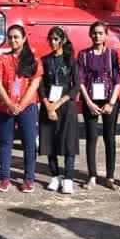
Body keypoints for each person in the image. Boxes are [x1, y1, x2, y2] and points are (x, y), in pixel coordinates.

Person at [0, 25, 42, 193]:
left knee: (29, 144)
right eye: (10, 37)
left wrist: (21, 105)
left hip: (27, 108)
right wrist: (9, 104)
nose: (13, 40)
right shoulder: (1, 59)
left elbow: (35, 83)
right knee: (5, 143)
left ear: (24, 38)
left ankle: (28, 179)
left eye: (16, 37)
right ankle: (4, 178)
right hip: (4, 108)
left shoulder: (33, 59)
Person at [77, 21, 120, 191]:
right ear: (90, 34)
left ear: (106, 35)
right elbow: (80, 80)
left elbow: (117, 79)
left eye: (100, 33)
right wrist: (88, 102)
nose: (97, 36)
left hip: (109, 100)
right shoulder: (83, 55)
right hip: (91, 100)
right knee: (91, 139)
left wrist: (111, 102)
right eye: (94, 33)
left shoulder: (112, 54)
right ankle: (92, 176)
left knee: (109, 139)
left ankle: (110, 177)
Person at [38, 27, 81, 195]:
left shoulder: (71, 60)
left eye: (56, 39)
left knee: (68, 143)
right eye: (51, 39)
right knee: (50, 143)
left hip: (66, 106)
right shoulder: (44, 60)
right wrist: (48, 105)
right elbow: (40, 87)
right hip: (48, 106)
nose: (53, 42)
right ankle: (55, 177)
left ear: (63, 40)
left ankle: (68, 179)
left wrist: (58, 103)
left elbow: (76, 85)